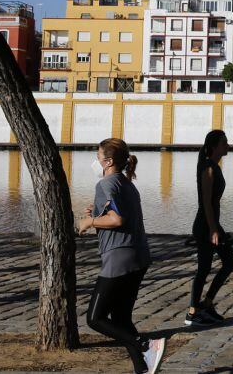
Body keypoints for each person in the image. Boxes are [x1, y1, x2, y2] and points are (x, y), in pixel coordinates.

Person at [78, 138, 164, 374]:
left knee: (95, 319)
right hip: (140, 256)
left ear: (108, 161)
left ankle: (146, 344)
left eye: (98, 156)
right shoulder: (127, 184)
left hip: (120, 258)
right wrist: (96, 212)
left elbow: (117, 219)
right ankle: (142, 368)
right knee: (122, 318)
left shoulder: (105, 184)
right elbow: (118, 213)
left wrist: (89, 221)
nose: (96, 160)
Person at [186, 129, 233, 327]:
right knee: (204, 268)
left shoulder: (213, 166)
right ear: (214, 147)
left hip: (211, 223)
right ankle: (193, 312)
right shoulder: (208, 168)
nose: (228, 146)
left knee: (228, 262)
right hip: (205, 225)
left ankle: (206, 305)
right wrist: (213, 229)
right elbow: (206, 202)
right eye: (224, 143)